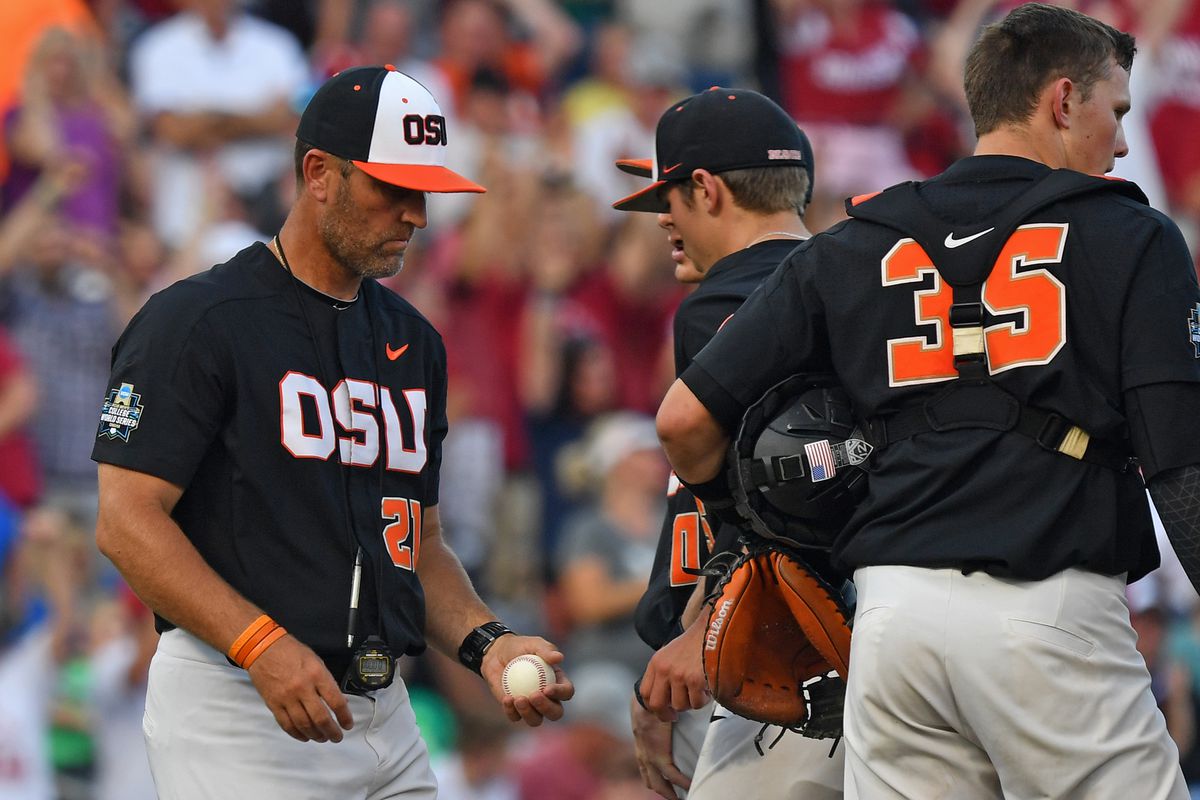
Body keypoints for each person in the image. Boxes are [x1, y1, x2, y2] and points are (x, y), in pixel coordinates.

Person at [656, 5, 1200, 798]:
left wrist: (753, 535)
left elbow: (682, 420)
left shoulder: (855, 236)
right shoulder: (1132, 234)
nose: (1121, 140)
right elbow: (1180, 470)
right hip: (1047, 607)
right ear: (1061, 101)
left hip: (891, 622)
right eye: (1114, 111)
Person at [91, 65, 573, 800]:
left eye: (426, 192)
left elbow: (421, 540)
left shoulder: (415, 341)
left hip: (386, 709)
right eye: (392, 189)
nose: (415, 214)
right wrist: (260, 645)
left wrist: (486, 642)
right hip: (240, 700)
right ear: (319, 172)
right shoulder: (197, 319)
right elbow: (126, 521)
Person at [611, 86, 842, 799]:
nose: (663, 224)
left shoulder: (724, 300)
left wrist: (702, 632)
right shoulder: (857, 281)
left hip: (791, 639)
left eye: (668, 201)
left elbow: (791, 495)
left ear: (706, 190)